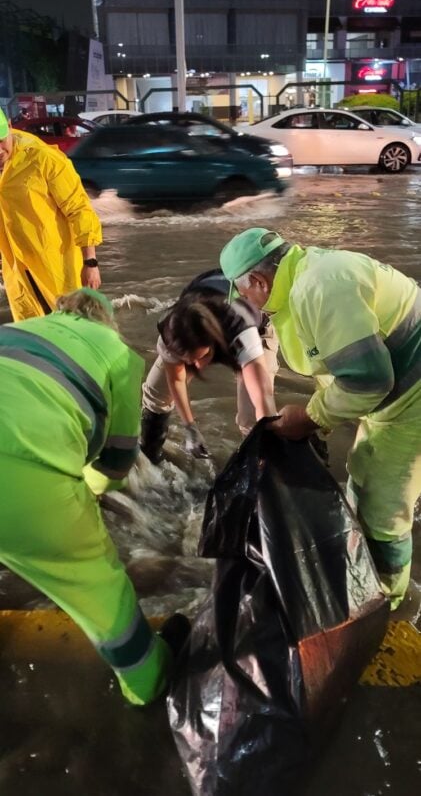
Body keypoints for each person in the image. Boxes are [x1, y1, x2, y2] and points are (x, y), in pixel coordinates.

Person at [0, 287, 186, 705]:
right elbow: (117, 461)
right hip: (23, 477)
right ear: (107, 321)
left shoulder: (17, 329)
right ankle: (147, 682)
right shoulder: (121, 356)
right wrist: (88, 493)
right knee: (102, 591)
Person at [219, 227, 421, 610]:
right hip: (392, 397)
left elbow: (370, 380)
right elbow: (338, 368)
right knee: (360, 479)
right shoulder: (298, 283)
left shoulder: (319, 286)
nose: (247, 304)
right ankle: (370, 582)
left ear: (259, 281)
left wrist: (311, 417)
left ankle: (389, 609)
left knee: (381, 506)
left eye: (244, 294)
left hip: (412, 393)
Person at [140, 269, 279, 463]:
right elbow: (176, 378)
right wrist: (190, 427)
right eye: (187, 361)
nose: (196, 367)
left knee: (253, 421)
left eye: (200, 358)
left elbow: (262, 397)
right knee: (156, 393)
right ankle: (149, 457)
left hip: (255, 331)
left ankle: (260, 477)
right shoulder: (170, 328)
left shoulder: (240, 328)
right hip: (199, 322)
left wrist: (265, 434)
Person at [0, 108, 102, 320]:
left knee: (71, 329)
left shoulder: (44, 159)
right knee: (34, 335)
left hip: (56, 267)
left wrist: (90, 263)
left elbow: (79, 209)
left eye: (1, 140)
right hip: (18, 275)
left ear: (10, 126)